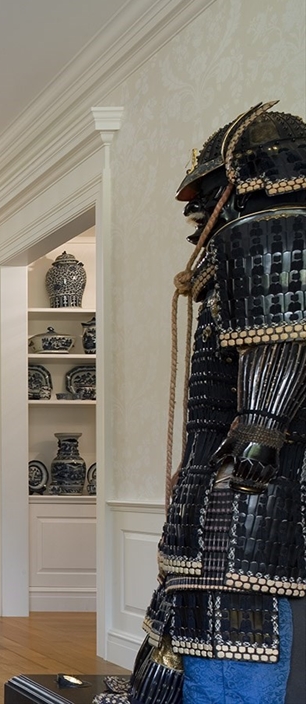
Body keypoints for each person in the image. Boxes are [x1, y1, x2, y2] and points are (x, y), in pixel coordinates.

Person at [103, 103, 306, 704]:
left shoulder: (271, 236)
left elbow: (279, 344)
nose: (198, 212)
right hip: (228, 476)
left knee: (229, 636)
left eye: (209, 193)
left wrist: (253, 443)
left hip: (249, 489)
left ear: (247, 178)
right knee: (198, 629)